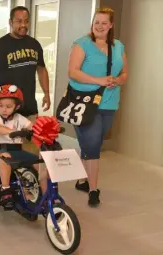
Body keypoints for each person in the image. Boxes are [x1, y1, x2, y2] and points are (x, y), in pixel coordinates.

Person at [68, 7, 128, 207]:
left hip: (109, 102)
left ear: (111, 25)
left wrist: (117, 80)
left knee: (93, 142)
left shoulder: (118, 46)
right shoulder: (82, 44)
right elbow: (73, 72)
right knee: (92, 145)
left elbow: (125, 73)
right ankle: (93, 190)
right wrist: (99, 80)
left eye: (104, 23)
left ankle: (84, 180)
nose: (99, 26)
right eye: (96, 22)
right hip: (85, 102)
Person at [0, 6, 50, 156]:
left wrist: (47, 93)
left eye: (26, 21)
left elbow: (41, 69)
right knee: (8, 152)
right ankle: (7, 178)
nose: (23, 25)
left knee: (32, 151)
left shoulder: (34, 44)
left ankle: (29, 177)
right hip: (7, 108)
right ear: (10, 22)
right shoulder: (0, 46)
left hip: (29, 106)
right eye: (19, 21)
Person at [0, 84, 47, 209]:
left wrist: (44, 130)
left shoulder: (19, 118)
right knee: (5, 158)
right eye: (1, 106)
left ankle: (46, 193)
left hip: (17, 150)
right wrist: (10, 132)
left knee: (40, 163)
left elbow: (31, 126)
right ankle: (5, 190)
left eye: (8, 107)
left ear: (17, 106)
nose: (4, 109)